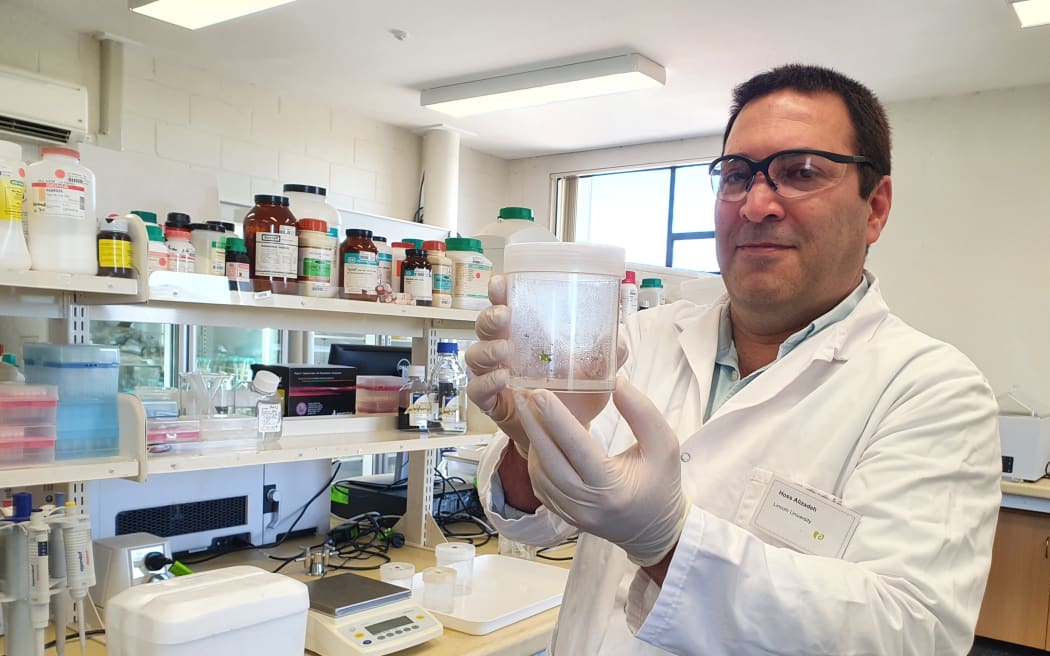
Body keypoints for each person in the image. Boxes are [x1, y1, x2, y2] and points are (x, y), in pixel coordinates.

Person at [465, 63, 1001, 655]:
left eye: (800, 172)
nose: (756, 204)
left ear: (875, 207)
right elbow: (536, 523)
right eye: (738, 175)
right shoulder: (640, 340)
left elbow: (910, 634)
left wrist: (667, 541)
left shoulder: (931, 389)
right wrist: (529, 439)